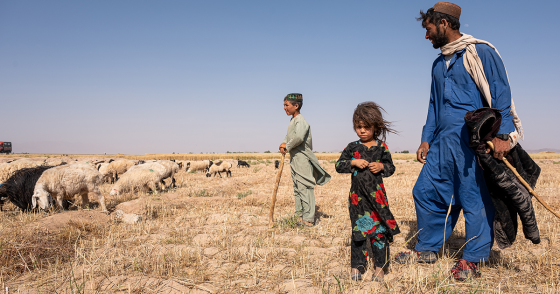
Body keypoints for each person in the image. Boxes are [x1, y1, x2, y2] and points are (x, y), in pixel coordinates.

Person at [395, 2, 523, 281]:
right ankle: (428, 247)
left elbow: (501, 92)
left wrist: (503, 136)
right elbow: (433, 104)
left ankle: (473, 259)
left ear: (443, 23)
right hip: (441, 143)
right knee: (425, 192)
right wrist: (426, 139)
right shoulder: (438, 64)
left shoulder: (481, 52)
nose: (426, 36)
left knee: (474, 199)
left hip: (472, 142)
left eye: (428, 29)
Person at [335, 102, 400, 282]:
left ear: (375, 127)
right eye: (358, 127)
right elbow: (338, 166)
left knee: (379, 232)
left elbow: (391, 167)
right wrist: (353, 163)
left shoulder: (381, 147)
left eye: (366, 127)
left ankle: (380, 267)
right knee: (358, 233)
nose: (362, 131)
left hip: (377, 199)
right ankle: (357, 266)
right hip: (357, 200)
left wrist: (381, 166)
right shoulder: (352, 147)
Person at [279, 93, 330, 227]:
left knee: (305, 187)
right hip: (294, 158)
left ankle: (308, 219)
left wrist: (287, 146)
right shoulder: (293, 121)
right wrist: (283, 144)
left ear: (296, 106)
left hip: (302, 159)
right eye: (284, 105)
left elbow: (298, 138)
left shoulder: (301, 121)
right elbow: (289, 136)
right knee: (297, 187)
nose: (284, 108)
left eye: (286, 105)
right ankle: (299, 214)